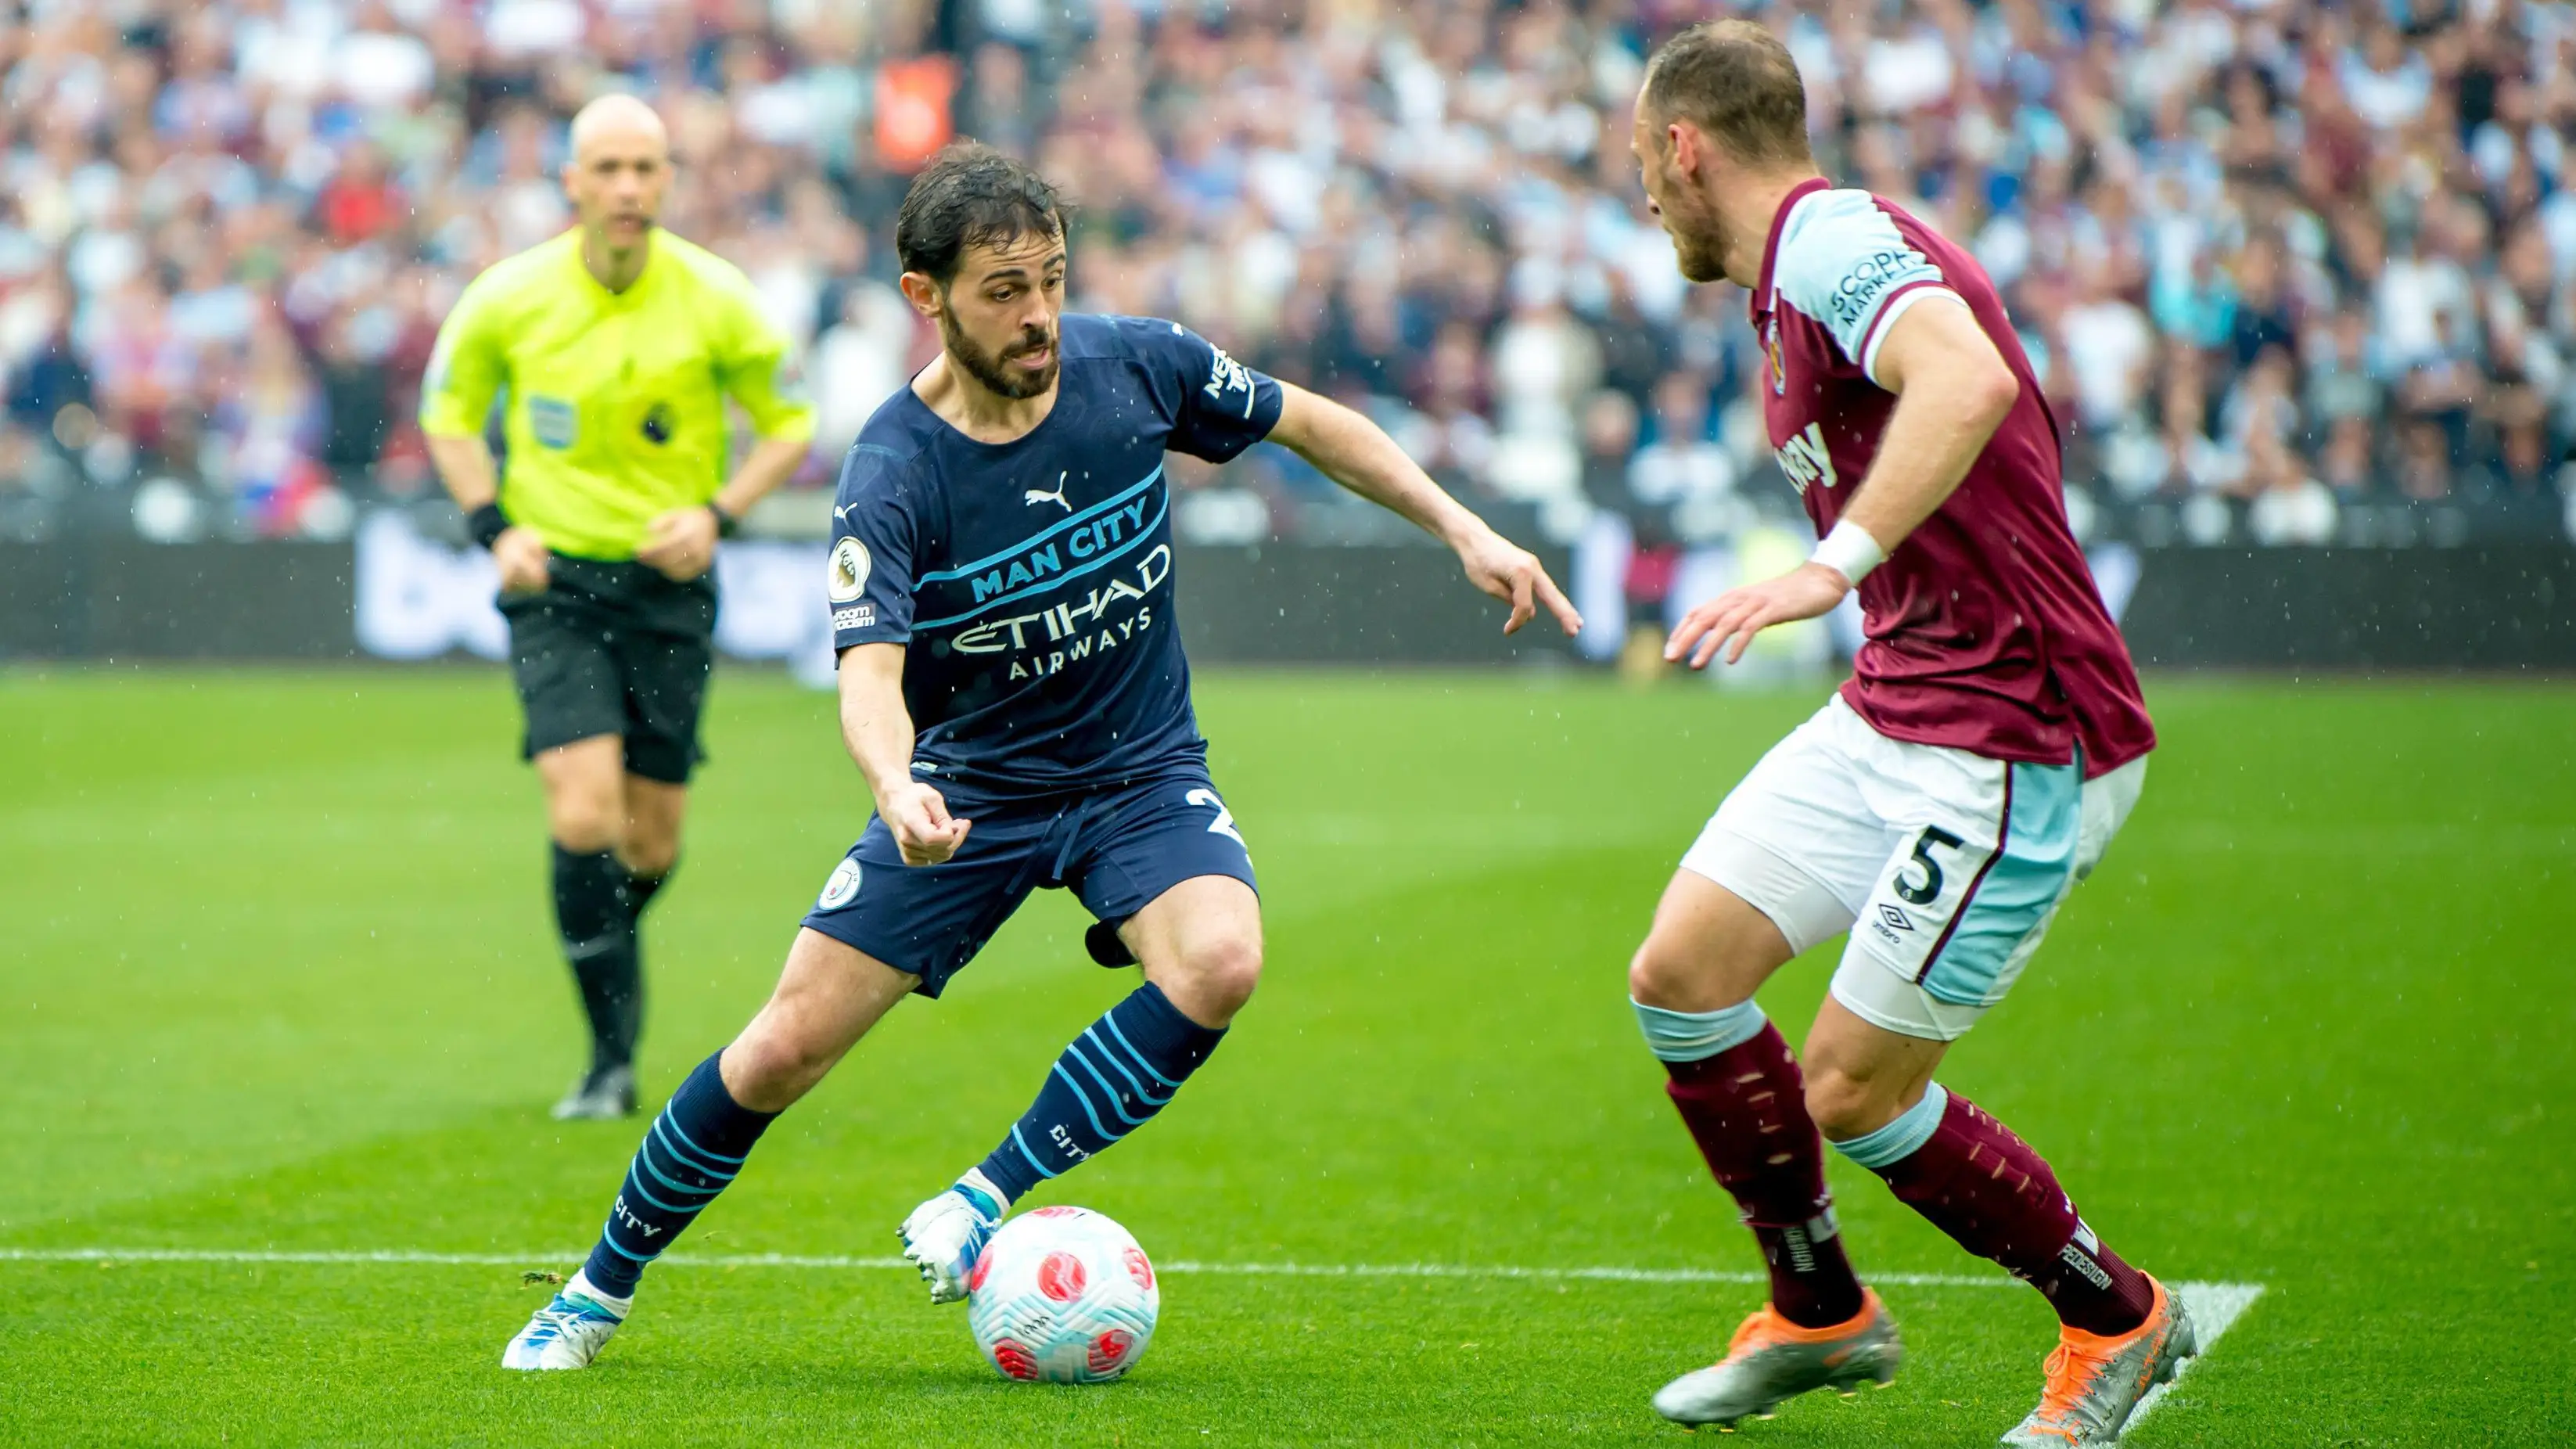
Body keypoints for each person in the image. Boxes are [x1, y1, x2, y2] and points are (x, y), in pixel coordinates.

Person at [500, 142, 1579, 1371]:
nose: (1040, 316)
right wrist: (895, 786)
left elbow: (1307, 422)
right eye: (1005, 290)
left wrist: (1462, 527)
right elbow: (869, 676)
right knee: (782, 1047)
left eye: (1052, 279)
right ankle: (592, 1293)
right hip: (970, 793)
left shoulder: (1137, 365)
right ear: (928, 297)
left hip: (1137, 774)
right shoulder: (893, 470)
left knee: (1221, 960)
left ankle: (982, 1194)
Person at [1619, 23, 2188, 1446]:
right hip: (1900, 699)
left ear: (1687, 147)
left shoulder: (1829, 238)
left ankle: (2116, 1314)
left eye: (1642, 167)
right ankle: (1820, 1314)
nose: (1643, 200)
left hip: (2018, 735)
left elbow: (1967, 379)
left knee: (1855, 1090)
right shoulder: (1782, 285)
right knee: (1683, 977)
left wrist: (1832, 563)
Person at [420, 95, 816, 1120]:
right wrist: (490, 525)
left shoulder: (716, 297)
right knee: (584, 811)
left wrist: (718, 514)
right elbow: (451, 416)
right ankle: (609, 1055)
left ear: (668, 179)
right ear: (574, 182)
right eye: (609, 169)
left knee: (649, 845)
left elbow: (788, 422)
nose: (630, 188)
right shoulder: (511, 297)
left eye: (647, 168)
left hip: (669, 587)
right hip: (554, 583)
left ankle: (601, 941)